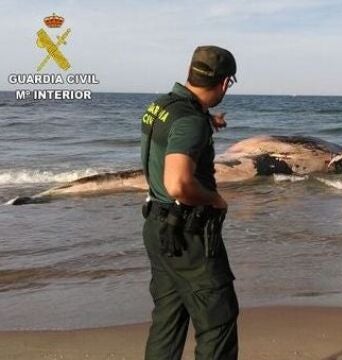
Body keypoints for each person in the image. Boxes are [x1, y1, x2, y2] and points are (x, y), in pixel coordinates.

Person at [140, 45, 239, 360]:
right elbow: (179, 184)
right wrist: (216, 199)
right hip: (190, 235)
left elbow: (179, 125)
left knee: (168, 320)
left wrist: (208, 121)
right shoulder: (190, 121)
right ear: (225, 83)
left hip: (158, 226)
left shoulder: (162, 105)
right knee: (218, 320)